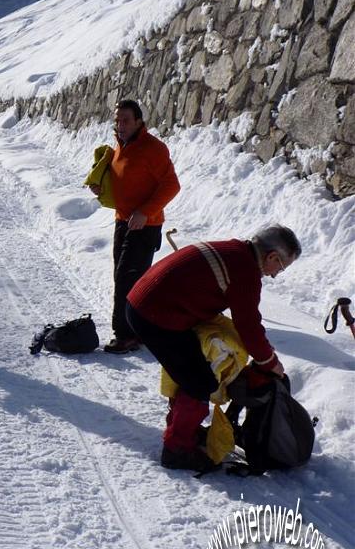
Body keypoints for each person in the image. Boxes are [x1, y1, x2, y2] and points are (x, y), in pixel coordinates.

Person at [126, 225, 302, 471]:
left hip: (146, 303)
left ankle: (182, 428)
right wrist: (269, 361)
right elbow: (248, 325)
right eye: (281, 267)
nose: (275, 274)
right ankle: (177, 449)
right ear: (272, 256)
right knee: (199, 382)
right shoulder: (246, 271)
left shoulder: (235, 250)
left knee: (191, 370)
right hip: (155, 315)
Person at [89, 99, 180, 354]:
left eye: (126, 120)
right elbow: (122, 182)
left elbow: (172, 185)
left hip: (145, 224)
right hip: (123, 221)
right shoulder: (119, 147)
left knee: (127, 278)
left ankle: (127, 334)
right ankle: (139, 327)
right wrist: (101, 189)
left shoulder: (154, 148)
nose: (120, 125)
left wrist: (144, 212)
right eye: (117, 120)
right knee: (127, 277)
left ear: (139, 121)